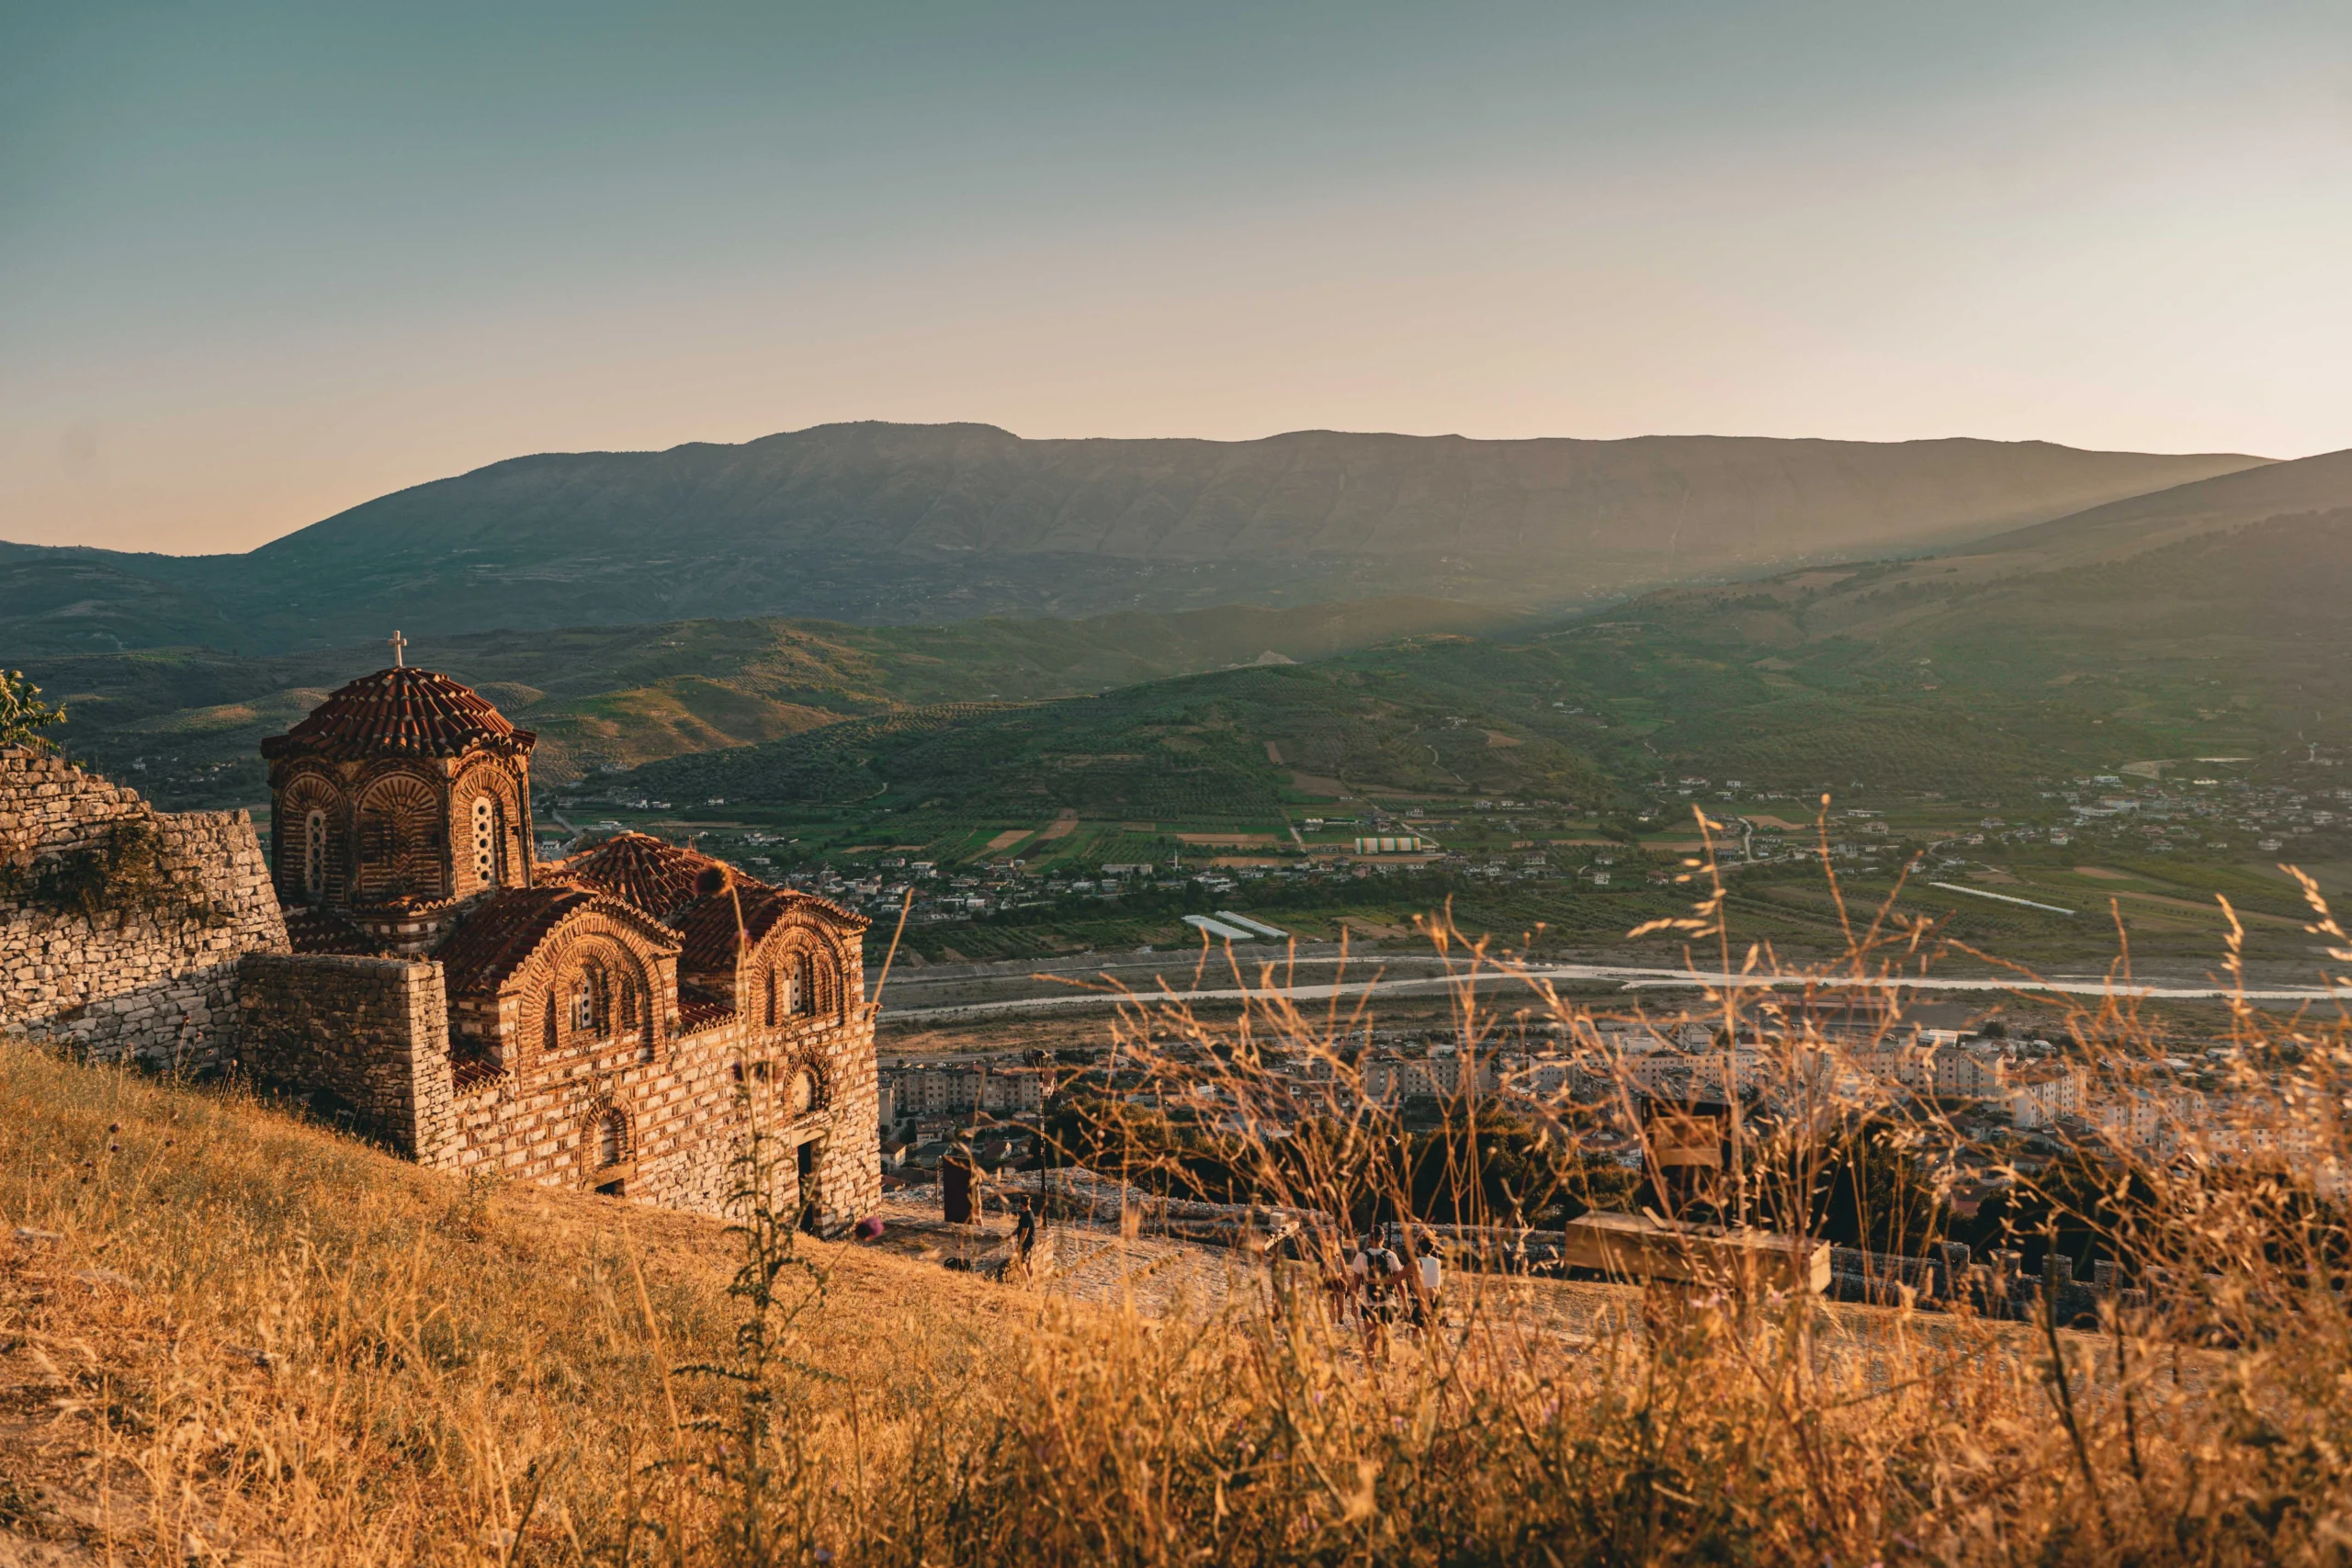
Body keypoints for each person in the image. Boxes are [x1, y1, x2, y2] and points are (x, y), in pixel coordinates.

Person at [1415, 1235, 1442, 1327]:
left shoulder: (1418, 1262)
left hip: (1425, 1299)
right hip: (1437, 1297)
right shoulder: (1437, 1261)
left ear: (1419, 1248)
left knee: (1417, 1327)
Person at [1013, 1196, 1039, 1275]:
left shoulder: (1026, 1216)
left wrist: (1019, 1245)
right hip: (1031, 1241)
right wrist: (1010, 1235)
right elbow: (1020, 1228)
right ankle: (1031, 1283)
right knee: (1029, 1262)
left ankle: (1028, 1284)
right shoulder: (1030, 1213)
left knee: (1019, 1265)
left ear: (1020, 1204)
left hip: (1026, 1243)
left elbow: (1024, 1233)